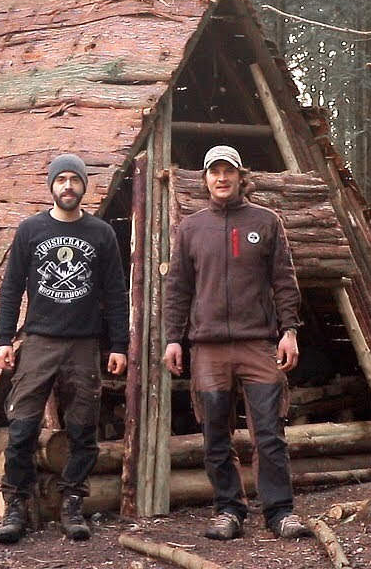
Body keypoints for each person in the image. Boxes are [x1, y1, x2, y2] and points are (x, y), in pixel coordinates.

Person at [162, 145, 310, 541]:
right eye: (214, 171)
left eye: (228, 171)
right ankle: (229, 510)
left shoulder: (267, 221)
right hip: (208, 348)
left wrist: (290, 331)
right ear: (205, 179)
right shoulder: (190, 229)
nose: (222, 178)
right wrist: (173, 339)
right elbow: (177, 289)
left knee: (269, 433)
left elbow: (284, 281)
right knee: (215, 434)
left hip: (258, 344)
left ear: (241, 176)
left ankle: (280, 512)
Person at [0, 153, 129, 544]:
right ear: (51, 185)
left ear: (84, 186)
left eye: (74, 179)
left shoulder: (101, 233)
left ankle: (72, 502)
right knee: (22, 427)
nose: (68, 186)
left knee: (83, 428)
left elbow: (115, 293)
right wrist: (4, 338)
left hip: (84, 343)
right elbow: (11, 287)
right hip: (39, 340)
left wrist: (118, 344)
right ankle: (16, 505)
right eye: (61, 179)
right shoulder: (30, 230)